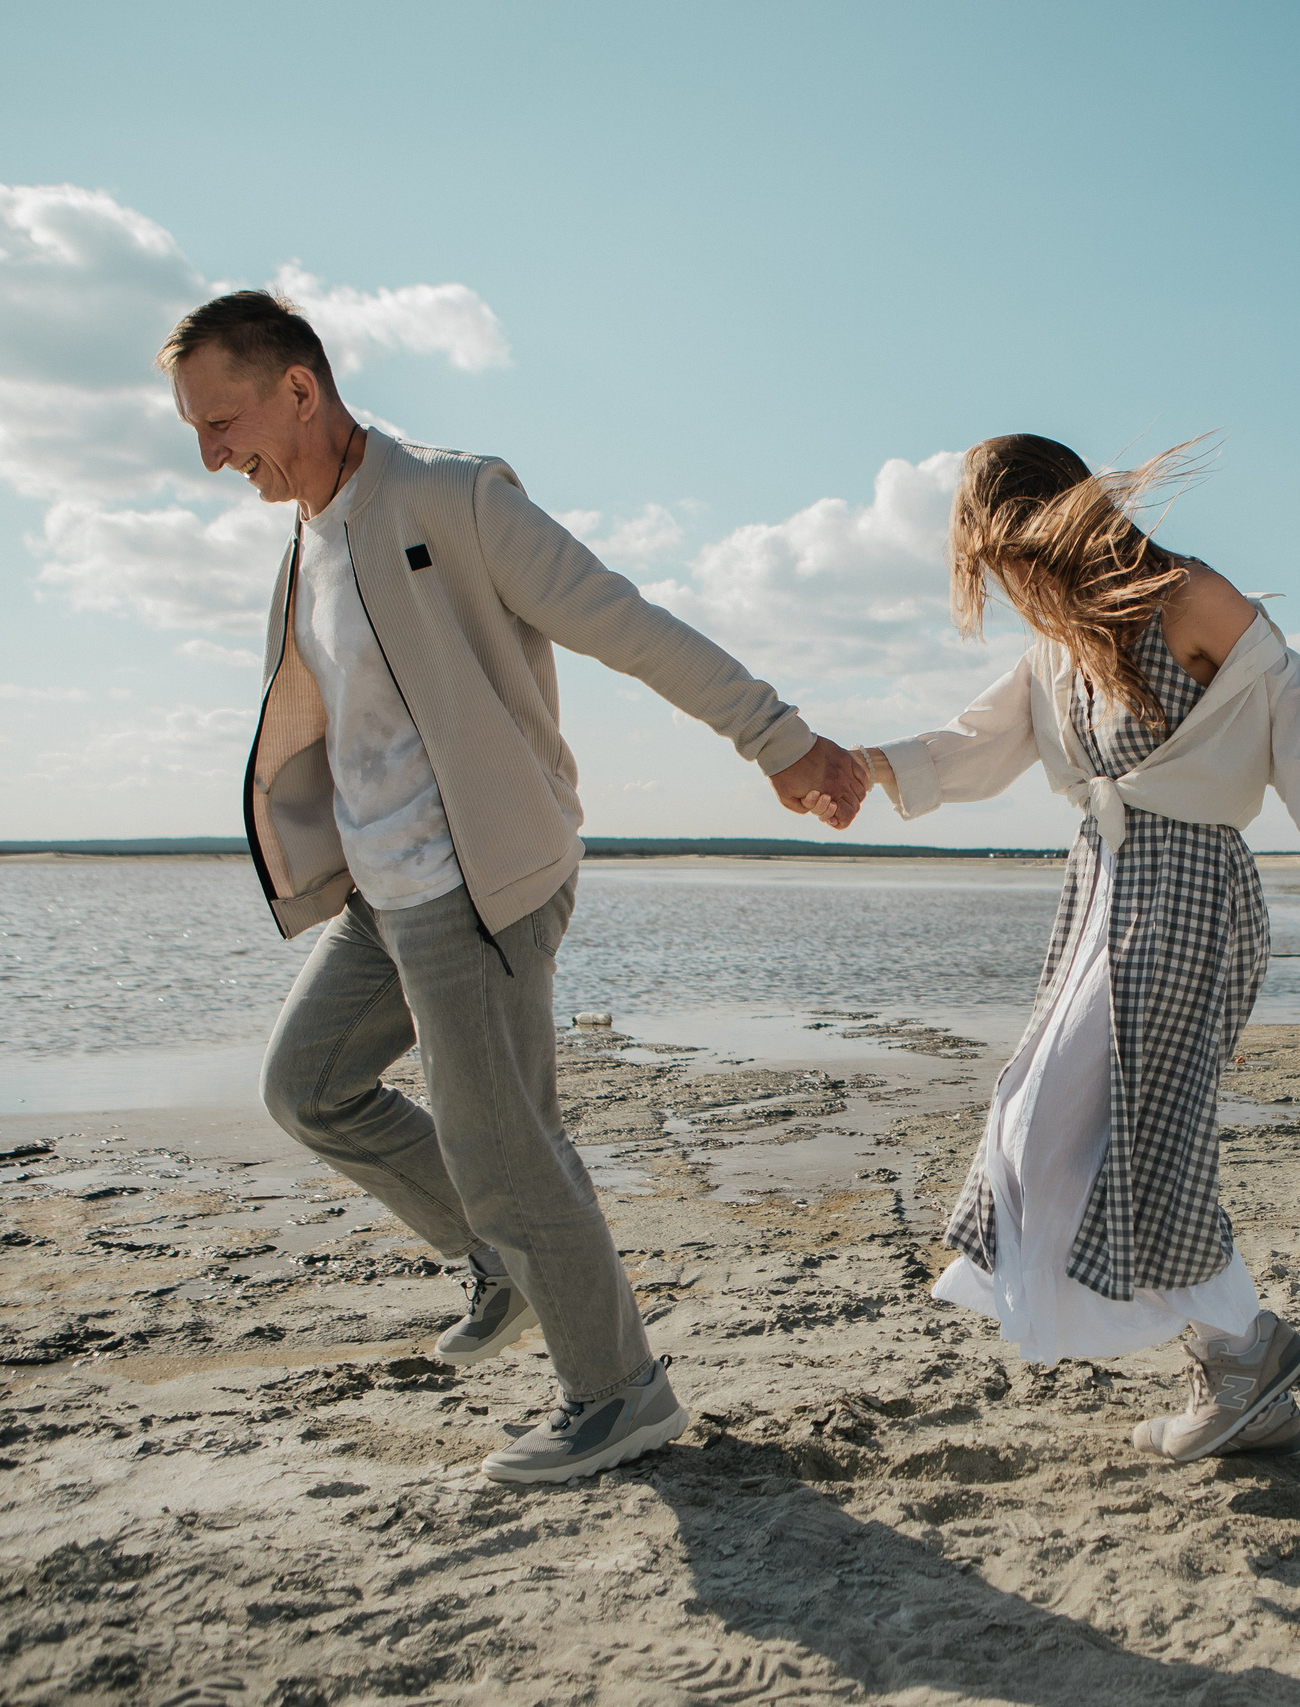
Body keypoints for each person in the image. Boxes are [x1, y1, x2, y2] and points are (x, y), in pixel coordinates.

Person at [162, 290, 870, 1485]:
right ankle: (500, 1257)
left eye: (221, 423)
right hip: (381, 896)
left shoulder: (453, 497)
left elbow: (625, 621)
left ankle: (620, 1393)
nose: (211, 456)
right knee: (309, 1087)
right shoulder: (305, 547)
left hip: (476, 881)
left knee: (510, 1151)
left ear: (300, 388)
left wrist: (778, 738)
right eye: (196, 431)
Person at [846, 434, 1300, 1461]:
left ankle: (1243, 1351)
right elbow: (972, 748)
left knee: (1083, 1126)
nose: (1009, 590)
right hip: (1101, 895)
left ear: (1044, 533)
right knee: (1062, 1130)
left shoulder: (1193, 602)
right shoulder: (1057, 647)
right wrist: (859, 768)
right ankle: (1239, 1360)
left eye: (1005, 562)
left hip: (1189, 893)